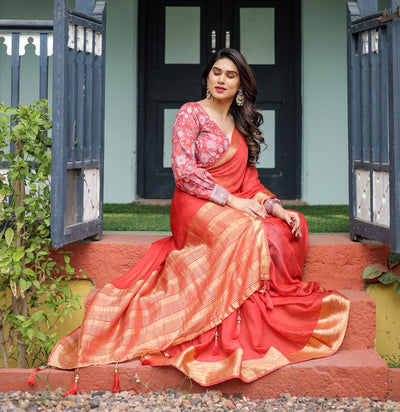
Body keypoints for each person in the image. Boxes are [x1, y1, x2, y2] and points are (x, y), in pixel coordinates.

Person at [48, 48, 349, 388]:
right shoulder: (190, 113)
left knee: (285, 226)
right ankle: (223, 320)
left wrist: (275, 206)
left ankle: (259, 313)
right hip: (194, 204)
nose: (222, 79)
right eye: (216, 72)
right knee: (245, 231)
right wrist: (232, 202)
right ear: (207, 77)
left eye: (230, 75)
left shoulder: (240, 123)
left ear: (241, 86)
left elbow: (250, 183)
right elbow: (184, 171)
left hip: (234, 202)